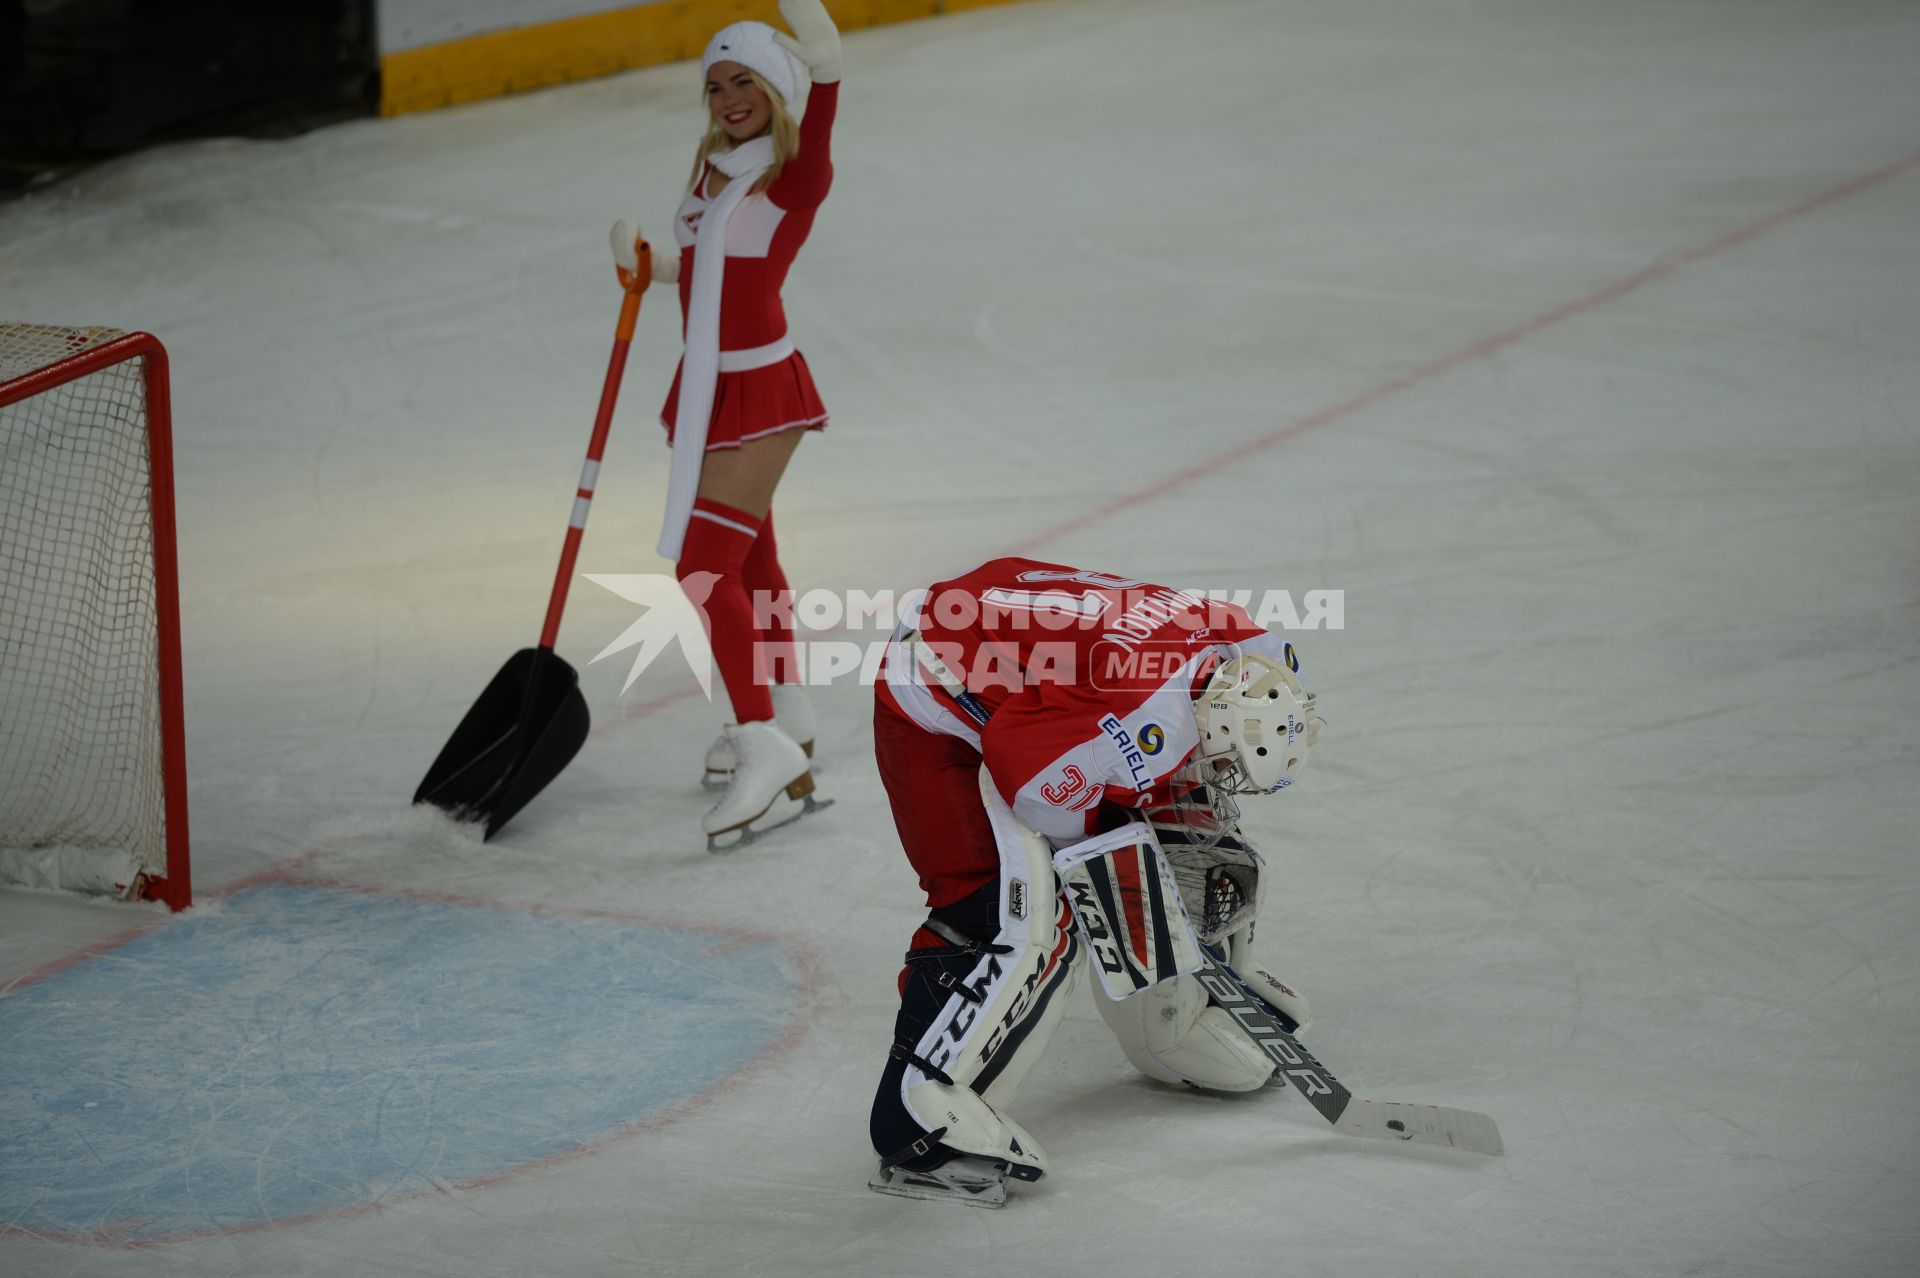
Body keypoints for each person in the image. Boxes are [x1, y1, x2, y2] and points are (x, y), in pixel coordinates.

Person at [866, 558, 1323, 1206]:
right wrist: (1115, 858)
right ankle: (920, 1116)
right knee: (1010, 910)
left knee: (1192, 835)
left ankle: (1172, 1026)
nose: (1225, 772)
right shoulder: (1148, 710)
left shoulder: (1252, 652)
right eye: (1224, 756)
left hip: (1047, 687)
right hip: (937, 692)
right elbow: (1031, 782)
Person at [611, 0, 840, 847]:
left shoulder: (790, 178)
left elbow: (815, 143)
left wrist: (828, 71)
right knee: (753, 562)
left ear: (777, 89)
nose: (727, 95)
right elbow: (711, 270)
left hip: (760, 392)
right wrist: (653, 266)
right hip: (708, 386)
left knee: (704, 570)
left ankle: (762, 743)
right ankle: (790, 715)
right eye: (715, 84)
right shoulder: (713, 175)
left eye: (744, 80)